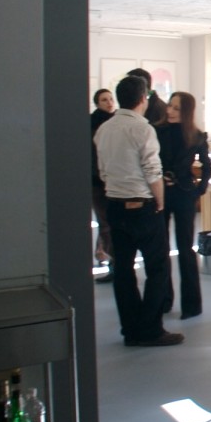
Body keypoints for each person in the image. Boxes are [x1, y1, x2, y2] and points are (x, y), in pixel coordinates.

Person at [94, 75, 183, 347]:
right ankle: (151, 329)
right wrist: (160, 201)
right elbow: (152, 171)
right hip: (142, 207)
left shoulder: (104, 129)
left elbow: (102, 170)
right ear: (143, 99)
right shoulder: (143, 129)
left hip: (115, 205)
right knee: (157, 268)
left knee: (123, 269)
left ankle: (131, 330)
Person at [156, 92, 211, 319]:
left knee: (185, 249)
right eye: (170, 106)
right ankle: (164, 300)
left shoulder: (196, 136)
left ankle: (191, 305)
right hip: (160, 194)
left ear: (186, 111)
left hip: (184, 194)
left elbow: (207, 167)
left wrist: (199, 190)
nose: (170, 111)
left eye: (176, 108)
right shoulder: (156, 131)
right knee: (160, 248)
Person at [91, 88, 116, 283]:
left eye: (110, 99)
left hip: (113, 181)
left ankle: (106, 255)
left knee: (109, 223)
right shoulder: (92, 123)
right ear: (97, 103)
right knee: (106, 223)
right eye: (104, 100)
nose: (109, 103)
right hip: (98, 182)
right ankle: (112, 262)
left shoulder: (116, 122)